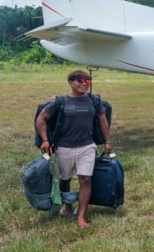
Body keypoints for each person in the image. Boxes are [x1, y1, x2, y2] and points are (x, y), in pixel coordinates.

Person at [36, 70, 112, 228]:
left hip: (87, 146)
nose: (84, 83)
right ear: (70, 83)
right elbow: (41, 119)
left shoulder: (94, 101)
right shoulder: (60, 102)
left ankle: (81, 216)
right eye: (80, 81)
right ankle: (68, 205)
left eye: (87, 81)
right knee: (65, 179)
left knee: (86, 179)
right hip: (64, 147)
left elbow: (103, 120)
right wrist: (45, 140)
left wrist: (107, 141)